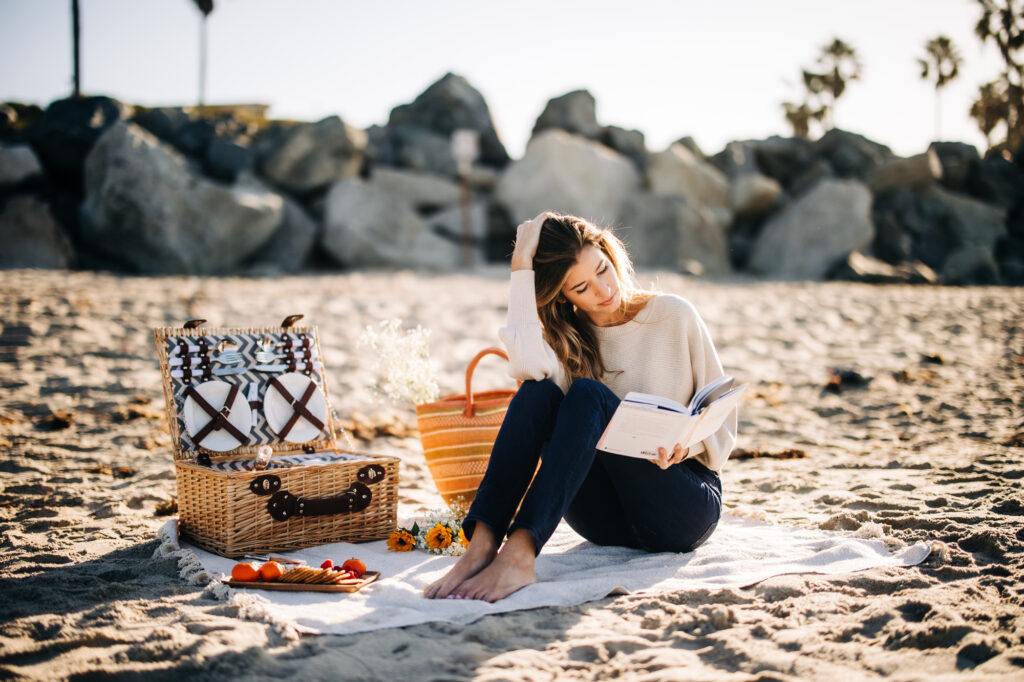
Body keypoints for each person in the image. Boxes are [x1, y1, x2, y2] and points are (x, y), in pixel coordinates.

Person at [424, 211, 737, 602]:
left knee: (589, 394)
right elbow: (525, 366)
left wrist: (685, 448)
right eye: (582, 288)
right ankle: (484, 544)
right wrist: (521, 270)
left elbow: (721, 416)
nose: (604, 290)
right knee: (538, 391)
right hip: (605, 519)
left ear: (609, 252)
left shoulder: (674, 315)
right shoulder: (570, 338)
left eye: (603, 270)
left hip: (680, 504)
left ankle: (520, 554)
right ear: (564, 296)